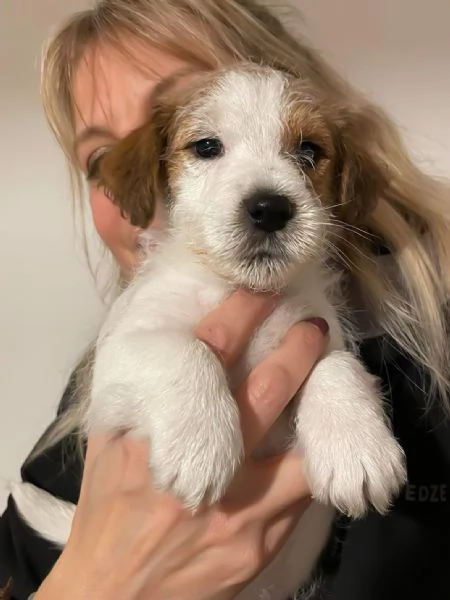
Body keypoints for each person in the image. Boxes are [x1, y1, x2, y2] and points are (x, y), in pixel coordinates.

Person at [1, 1, 450, 599]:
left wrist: (334, 390)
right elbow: (133, 365)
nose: (267, 194)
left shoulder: (398, 329)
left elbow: (321, 359)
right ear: (151, 176)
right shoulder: (149, 315)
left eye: (306, 152)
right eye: (208, 146)